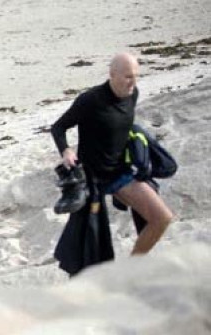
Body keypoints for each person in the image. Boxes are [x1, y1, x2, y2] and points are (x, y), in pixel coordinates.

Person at [50, 52, 174, 255]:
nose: (132, 82)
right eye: (127, 76)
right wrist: (66, 150)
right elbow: (58, 127)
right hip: (93, 178)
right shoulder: (90, 100)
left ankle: (134, 267)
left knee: (162, 218)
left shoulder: (133, 94)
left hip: (120, 173)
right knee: (89, 249)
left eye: (136, 75)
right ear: (112, 74)